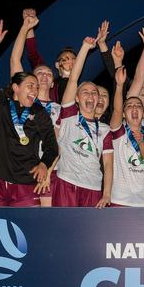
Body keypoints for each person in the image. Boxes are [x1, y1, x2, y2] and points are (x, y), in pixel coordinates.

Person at [0, 19, 58, 207]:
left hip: (26, 183)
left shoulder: (39, 112)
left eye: (37, 87)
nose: (35, 90)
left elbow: (52, 146)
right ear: (15, 87)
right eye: (30, 85)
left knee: (32, 232)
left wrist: (44, 164)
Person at [52, 35, 114, 208]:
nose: (91, 95)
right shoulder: (69, 116)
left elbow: (108, 164)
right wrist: (85, 48)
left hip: (93, 187)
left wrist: (107, 193)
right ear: (77, 99)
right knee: (63, 231)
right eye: (85, 92)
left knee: (89, 235)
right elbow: (73, 79)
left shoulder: (105, 129)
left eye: (94, 93)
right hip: (66, 182)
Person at [109, 65, 144, 207]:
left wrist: (141, 143)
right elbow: (117, 110)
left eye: (138, 106)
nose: (135, 108)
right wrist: (119, 86)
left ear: (143, 112)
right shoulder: (119, 132)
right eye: (129, 106)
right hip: (120, 198)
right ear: (124, 114)